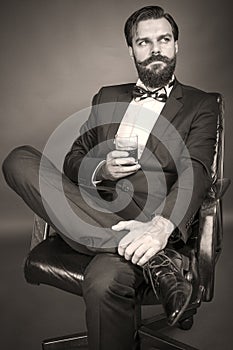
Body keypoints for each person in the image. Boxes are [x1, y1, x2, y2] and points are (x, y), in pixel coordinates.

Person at [2, 5, 219, 350]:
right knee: (18, 159)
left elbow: (197, 169)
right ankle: (156, 264)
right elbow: (73, 160)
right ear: (131, 50)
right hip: (85, 212)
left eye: (163, 39)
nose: (155, 49)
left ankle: (145, 251)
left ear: (176, 45)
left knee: (104, 282)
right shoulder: (108, 96)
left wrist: (162, 226)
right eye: (143, 42)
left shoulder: (201, 104)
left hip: (149, 221)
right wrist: (100, 168)